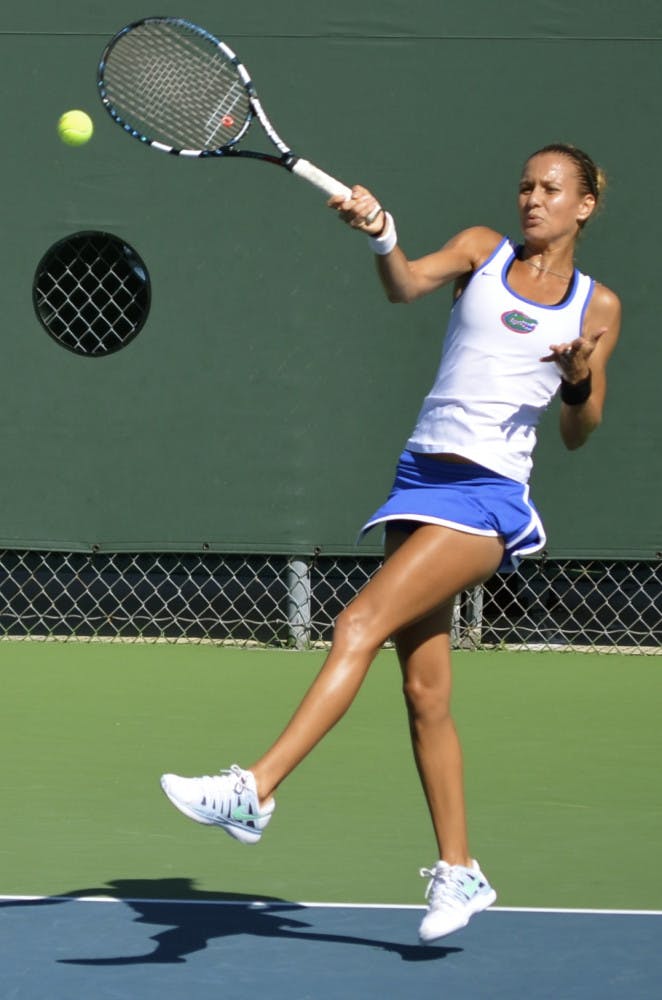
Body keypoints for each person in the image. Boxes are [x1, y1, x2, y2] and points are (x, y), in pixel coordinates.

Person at [160, 143, 621, 943]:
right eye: (524, 185)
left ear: (584, 205)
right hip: (420, 478)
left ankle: (256, 791)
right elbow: (406, 283)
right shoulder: (483, 250)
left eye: (550, 189)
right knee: (425, 694)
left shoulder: (596, 305)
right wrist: (380, 236)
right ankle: (460, 872)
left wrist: (579, 378)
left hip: (487, 496)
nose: (530, 199)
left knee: (356, 626)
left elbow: (582, 431)